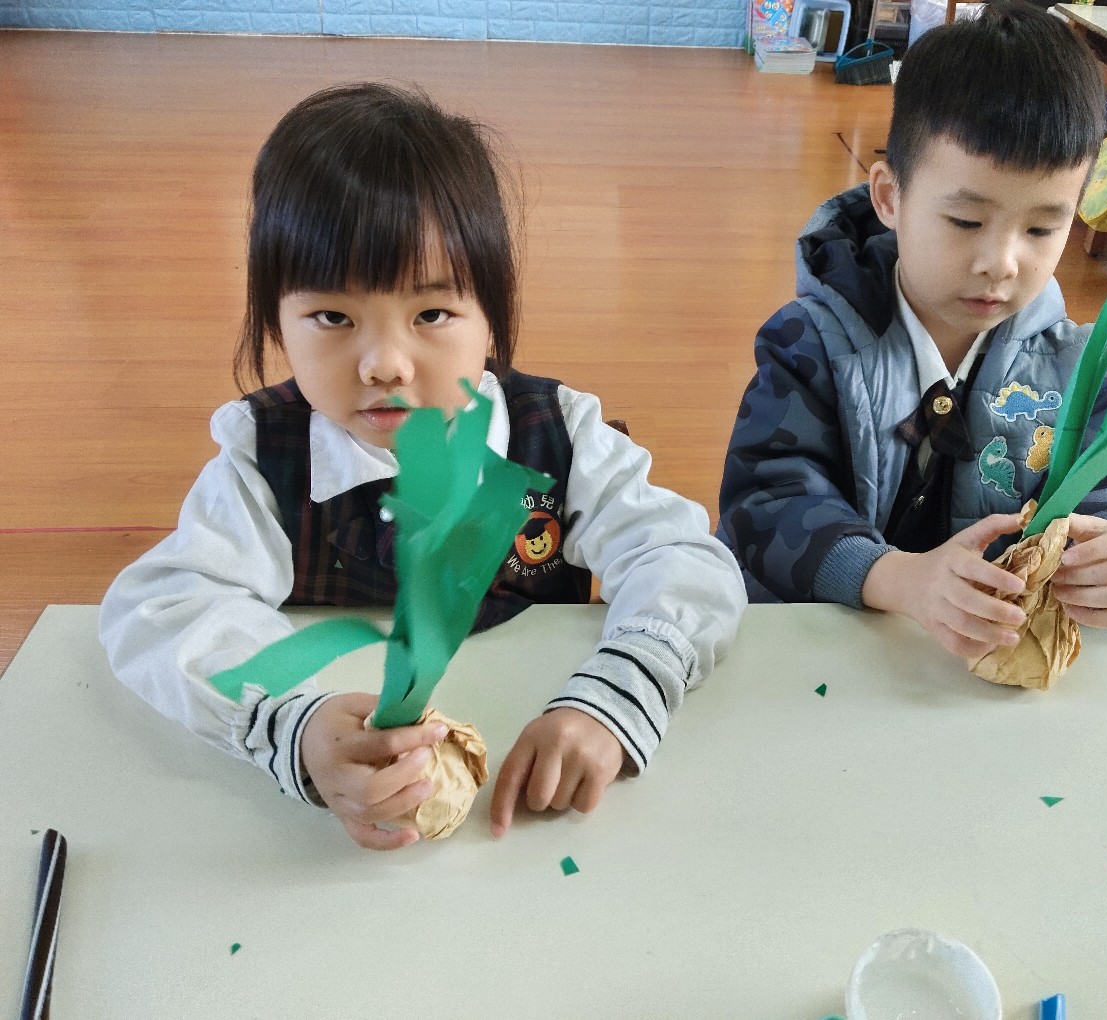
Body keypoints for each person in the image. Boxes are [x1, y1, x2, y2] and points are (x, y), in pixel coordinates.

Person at [99, 82, 746, 850]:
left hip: (534, 814)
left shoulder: (560, 439)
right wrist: (292, 724)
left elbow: (684, 560)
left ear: (492, 318)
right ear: (276, 319)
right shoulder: (264, 460)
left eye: (431, 314)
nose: (384, 364)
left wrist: (615, 697)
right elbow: (162, 611)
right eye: (333, 317)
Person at [718, 2, 1107, 663]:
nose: (1002, 262)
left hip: (976, 670)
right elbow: (765, 504)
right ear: (889, 198)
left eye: (1042, 228)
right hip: (819, 654)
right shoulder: (811, 343)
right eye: (966, 222)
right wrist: (896, 577)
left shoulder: (1083, 367)